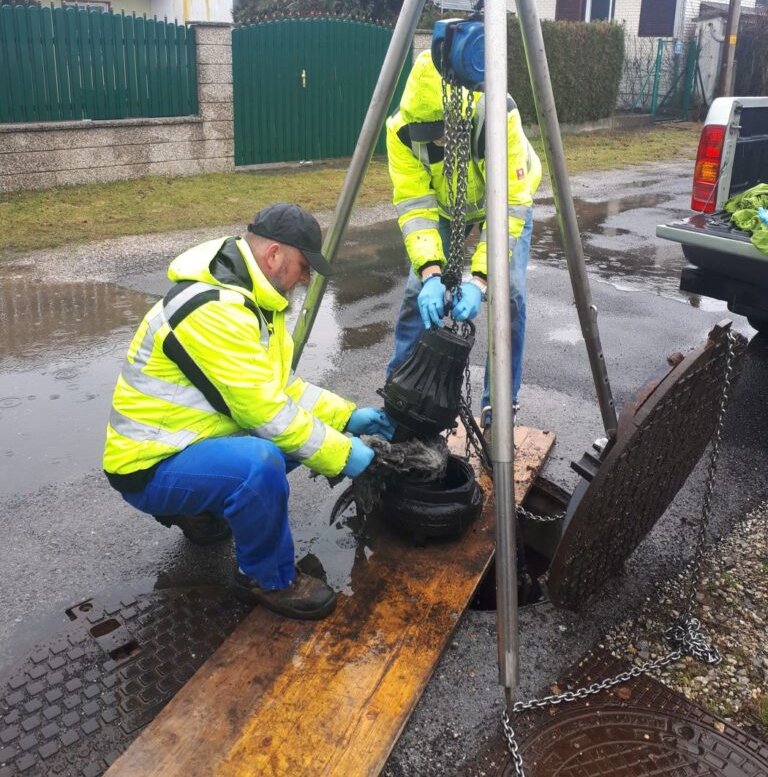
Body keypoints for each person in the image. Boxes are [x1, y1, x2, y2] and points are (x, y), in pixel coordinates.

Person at [103, 203, 394, 621]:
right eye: (303, 265)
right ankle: (267, 577)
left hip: (188, 442)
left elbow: (281, 388)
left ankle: (198, 509)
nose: (307, 278)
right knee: (260, 462)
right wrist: (346, 456)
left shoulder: (252, 301)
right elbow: (269, 413)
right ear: (274, 255)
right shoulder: (216, 310)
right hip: (147, 464)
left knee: (298, 440)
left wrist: (346, 417)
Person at [386, 50, 542, 417]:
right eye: (429, 138)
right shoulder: (400, 131)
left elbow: (510, 204)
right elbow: (414, 205)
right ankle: (400, 396)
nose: (436, 145)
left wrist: (481, 280)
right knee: (415, 295)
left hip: (504, 201)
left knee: (511, 296)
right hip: (444, 206)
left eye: (442, 136)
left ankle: (499, 403)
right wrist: (430, 273)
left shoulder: (496, 115)